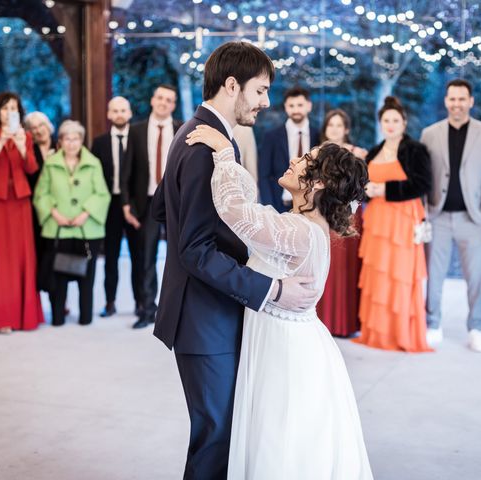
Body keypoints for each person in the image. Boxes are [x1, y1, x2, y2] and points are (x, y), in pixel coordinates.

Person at [151, 41, 320, 479]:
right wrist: (272, 288)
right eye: (261, 90)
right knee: (216, 437)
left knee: (224, 434)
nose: (267, 102)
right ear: (232, 85)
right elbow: (194, 248)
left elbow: (161, 207)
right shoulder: (205, 147)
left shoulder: (202, 136)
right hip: (203, 317)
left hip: (212, 309)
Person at [186, 124, 373, 478]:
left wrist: (225, 153)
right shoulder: (302, 226)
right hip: (287, 339)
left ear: (317, 183)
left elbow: (235, 210)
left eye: (306, 159)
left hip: (286, 350)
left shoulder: (301, 232)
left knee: (280, 439)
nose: (294, 159)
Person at [420, 79, 481, 352]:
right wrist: (425, 210)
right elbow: (424, 174)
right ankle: (433, 323)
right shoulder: (430, 133)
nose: (457, 104)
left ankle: (476, 328)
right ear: (446, 101)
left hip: (473, 217)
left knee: (475, 277)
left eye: (462, 99)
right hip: (438, 215)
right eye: (452, 99)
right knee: (435, 275)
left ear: (471, 101)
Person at [356, 96, 432, 352]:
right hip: (377, 221)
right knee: (379, 274)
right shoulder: (375, 151)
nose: (390, 125)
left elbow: (422, 184)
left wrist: (385, 190)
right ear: (380, 123)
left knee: (399, 275)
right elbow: (363, 187)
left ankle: (399, 334)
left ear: (404, 122)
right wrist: (367, 190)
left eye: (395, 120)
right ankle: (377, 333)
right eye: (386, 120)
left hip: (402, 221)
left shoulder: (415, 149)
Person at [0, 92, 44, 333]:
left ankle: (24, 316)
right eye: (5, 108)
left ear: (18, 112)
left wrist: (22, 147)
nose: (9, 112)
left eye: (13, 108)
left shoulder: (25, 136)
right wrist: (0, 142)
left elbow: (32, 168)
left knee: (20, 257)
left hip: (20, 202)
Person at [34, 120, 110, 326]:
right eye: (67, 138)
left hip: (87, 229)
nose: (71, 143)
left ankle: (86, 317)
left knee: (87, 277)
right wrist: (54, 213)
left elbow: (102, 195)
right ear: (60, 141)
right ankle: (57, 317)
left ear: (81, 140)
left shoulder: (93, 163)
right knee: (58, 277)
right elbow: (41, 194)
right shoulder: (50, 164)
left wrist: (85, 214)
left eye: (75, 138)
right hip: (58, 229)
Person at [120, 84, 183, 329]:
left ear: (173, 105)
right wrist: (126, 203)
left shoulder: (182, 129)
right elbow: (126, 171)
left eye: (169, 100)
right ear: (152, 100)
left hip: (176, 201)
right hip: (146, 202)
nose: (164, 103)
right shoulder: (135, 131)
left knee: (180, 256)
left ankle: (177, 310)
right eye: (160, 98)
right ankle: (147, 309)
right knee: (146, 258)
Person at [316, 108, 367, 337]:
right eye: (330, 125)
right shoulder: (317, 154)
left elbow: (363, 187)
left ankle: (346, 323)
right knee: (325, 267)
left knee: (347, 270)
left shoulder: (359, 153)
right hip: (324, 214)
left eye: (339, 125)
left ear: (346, 129)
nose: (334, 129)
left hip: (349, 215)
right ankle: (323, 321)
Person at [91, 96, 142, 318]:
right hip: (109, 205)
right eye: (115, 110)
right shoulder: (99, 142)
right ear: (109, 114)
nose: (119, 114)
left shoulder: (139, 140)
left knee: (138, 255)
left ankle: (141, 302)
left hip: (133, 203)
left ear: (130, 113)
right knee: (110, 256)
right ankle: (110, 302)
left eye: (123, 110)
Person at [258, 86, 320, 212]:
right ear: (286, 107)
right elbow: (264, 176)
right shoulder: (271, 137)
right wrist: (269, 209)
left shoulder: (318, 136)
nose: (296, 109)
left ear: (309, 106)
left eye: (300, 105)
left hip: (312, 206)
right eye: (291, 106)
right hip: (279, 206)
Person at [24, 111, 56, 285]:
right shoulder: (28, 152)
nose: (38, 130)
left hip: (60, 210)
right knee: (38, 254)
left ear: (48, 126)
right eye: (33, 127)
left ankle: (59, 300)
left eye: (41, 125)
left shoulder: (62, 146)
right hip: (35, 211)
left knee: (57, 257)